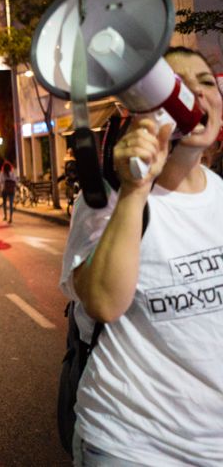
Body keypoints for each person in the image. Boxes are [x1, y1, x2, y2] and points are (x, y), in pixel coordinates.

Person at [60, 46, 223, 465]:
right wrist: (135, 189)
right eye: (178, 87)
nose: (197, 95)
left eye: (206, 82)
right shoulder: (105, 200)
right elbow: (102, 302)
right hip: (132, 443)